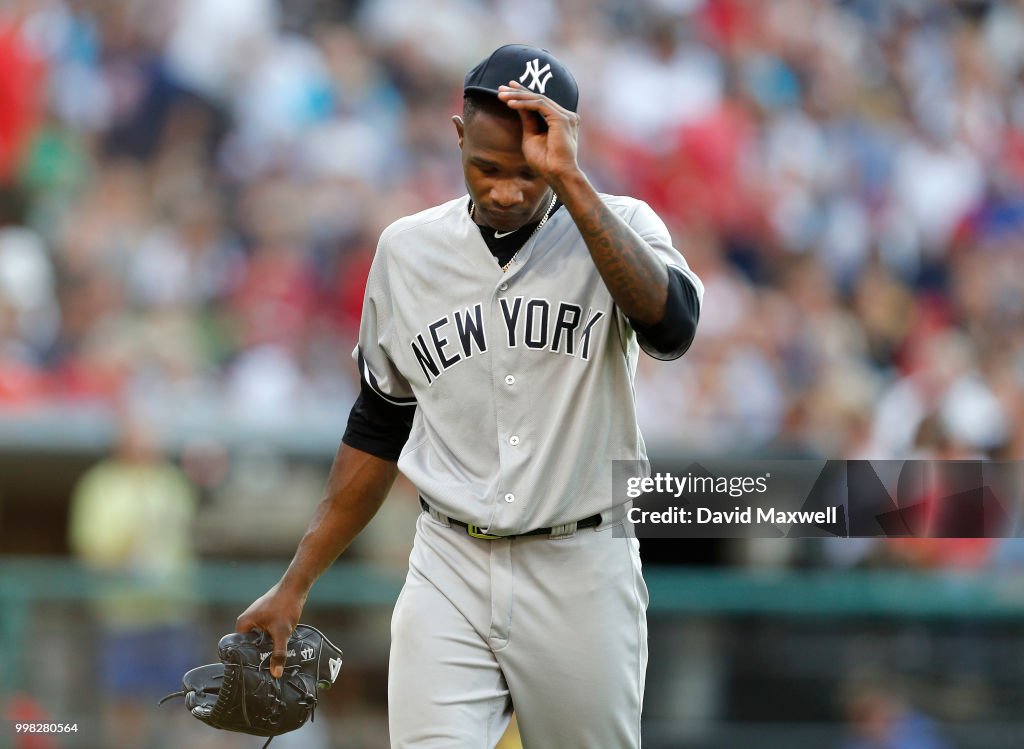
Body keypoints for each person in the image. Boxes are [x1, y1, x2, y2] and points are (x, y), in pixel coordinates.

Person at [236, 44, 702, 748]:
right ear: (458, 136)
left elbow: (671, 329)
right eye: (488, 167)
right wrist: (296, 580)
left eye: (528, 172)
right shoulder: (407, 251)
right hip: (449, 560)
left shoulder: (622, 227)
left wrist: (569, 182)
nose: (508, 190)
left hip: (579, 563)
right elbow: (377, 424)